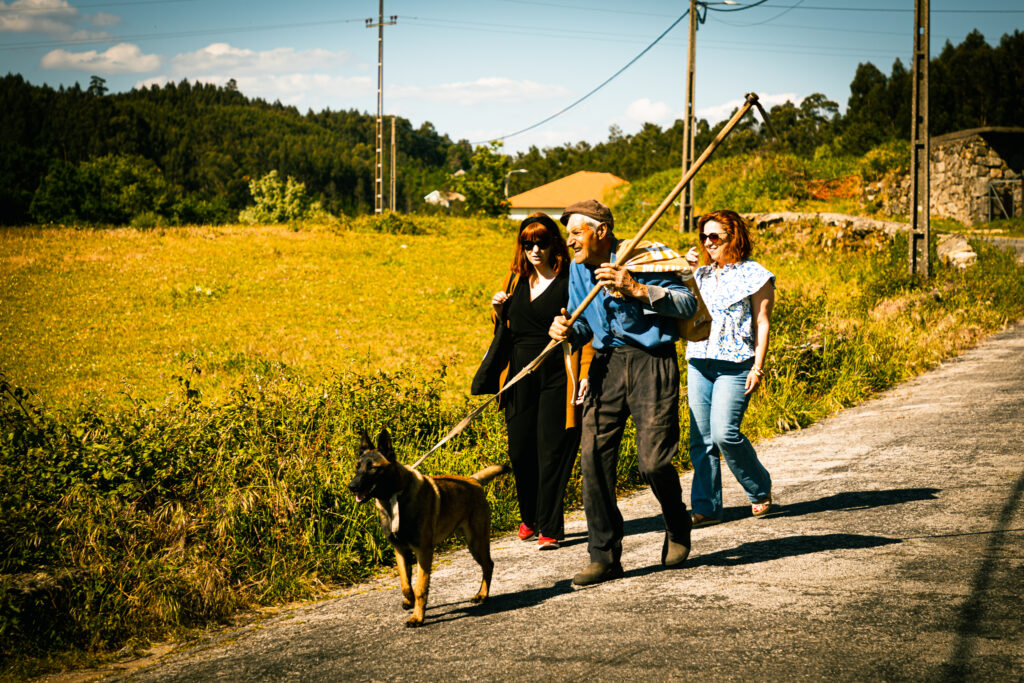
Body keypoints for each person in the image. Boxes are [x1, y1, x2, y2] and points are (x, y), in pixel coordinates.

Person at [548, 199, 697, 586]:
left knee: (653, 462)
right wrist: (565, 328)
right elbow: (583, 326)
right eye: (568, 235)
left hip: (652, 359)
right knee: (593, 457)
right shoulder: (578, 271)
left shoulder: (644, 256)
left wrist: (636, 288)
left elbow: (687, 304)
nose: (569, 242)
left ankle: (677, 522)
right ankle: (604, 556)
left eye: (575, 233)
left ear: (600, 232)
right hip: (606, 364)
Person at [489, 212, 592, 550]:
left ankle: (550, 525)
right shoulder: (515, 279)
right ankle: (529, 517)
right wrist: (497, 309)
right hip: (519, 374)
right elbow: (507, 327)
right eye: (528, 243)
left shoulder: (569, 279)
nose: (534, 250)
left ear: (554, 245)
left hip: (556, 374)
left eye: (542, 243)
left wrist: (585, 375)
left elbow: (588, 329)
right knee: (520, 451)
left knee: (551, 450)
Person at [683, 209, 775, 528]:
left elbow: (762, 323)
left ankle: (758, 487)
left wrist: (758, 367)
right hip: (699, 359)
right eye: (704, 237)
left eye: (714, 237)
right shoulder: (702, 274)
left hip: (737, 364)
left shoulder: (755, 274)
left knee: (725, 433)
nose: (708, 243)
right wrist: (686, 272)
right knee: (701, 438)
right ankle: (707, 506)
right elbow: (684, 309)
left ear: (732, 237)